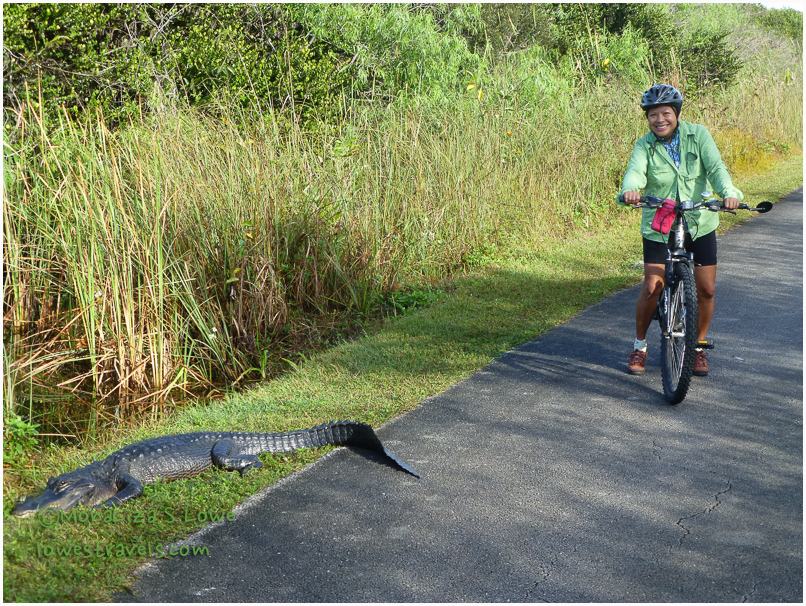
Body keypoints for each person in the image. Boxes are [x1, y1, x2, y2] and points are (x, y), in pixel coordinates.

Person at [618, 83, 743, 376]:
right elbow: (634, 172)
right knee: (653, 286)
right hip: (659, 223)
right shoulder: (644, 145)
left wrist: (729, 192)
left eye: (665, 113)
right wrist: (631, 190)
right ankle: (639, 346)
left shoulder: (698, 135)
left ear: (676, 113)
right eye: (653, 115)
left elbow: (716, 169)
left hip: (698, 220)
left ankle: (697, 347)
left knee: (707, 289)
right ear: (647, 118)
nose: (659, 120)